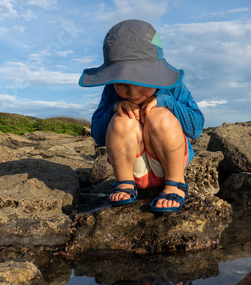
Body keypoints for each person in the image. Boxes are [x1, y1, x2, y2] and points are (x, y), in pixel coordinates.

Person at [79, 19, 204, 212]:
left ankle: (176, 183)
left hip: (167, 165)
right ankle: (124, 183)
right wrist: (115, 107)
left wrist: (166, 102)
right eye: (123, 85)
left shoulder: (172, 87)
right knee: (121, 119)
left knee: (159, 115)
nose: (134, 94)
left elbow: (196, 128)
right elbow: (97, 134)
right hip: (131, 167)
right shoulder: (111, 91)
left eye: (142, 83)